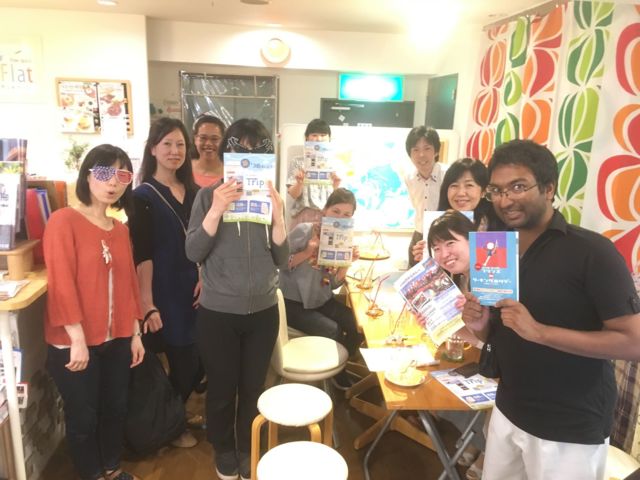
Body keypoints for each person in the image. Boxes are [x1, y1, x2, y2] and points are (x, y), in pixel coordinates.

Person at [461, 139, 640, 480]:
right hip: (509, 408)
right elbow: (497, 334)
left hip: (568, 427)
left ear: (548, 188)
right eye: (496, 190)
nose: (505, 200)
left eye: (518, 187)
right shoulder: (498, 249)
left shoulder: (592, 252)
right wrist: (481, 323)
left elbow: (634, 342)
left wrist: (541, 332)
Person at [186, 118, 288, 480]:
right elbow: (193, 251)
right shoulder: (207, 196)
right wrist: (216, 209)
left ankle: (247, 445)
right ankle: (223, 447)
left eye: (257, 150)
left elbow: (281, 258)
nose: (248, 157)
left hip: (262, 312)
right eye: (239, 149)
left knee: (252, 387)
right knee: (221, 388)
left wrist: (279, 218)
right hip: (218, 313)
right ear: (227, 153)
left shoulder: (270, 196)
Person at [44, 144, 144, 480]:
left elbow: (129, 284)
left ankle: (112, 468)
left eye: (122, 175)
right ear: (87, 176)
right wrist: (77, 338)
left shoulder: (121, 229)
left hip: (117, 338)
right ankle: (91, 474)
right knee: (83, 416)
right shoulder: (63, 221)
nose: (113, 182)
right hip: (74, 342)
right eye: (104, 173)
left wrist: (135, 333)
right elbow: (61, 283)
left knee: (116, 407)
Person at [127, 117, 200, 448]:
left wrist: (207, 277)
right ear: (153, 149)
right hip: (165, 292)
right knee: (184, 361)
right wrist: (147, 303)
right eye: (167, 144)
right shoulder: (142, 196)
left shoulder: (195, 193)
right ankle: (172, 425)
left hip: (198, 290)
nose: (174, 151)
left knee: (199, 360)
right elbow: (142, 255)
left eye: (180, 144)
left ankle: (174, 414)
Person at [279, 188, 362, 388]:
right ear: (325, 210)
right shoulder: (304, 230)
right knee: (333, 330)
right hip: (293, 303)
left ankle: (342, 361)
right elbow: (281, 263)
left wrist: (347, 263)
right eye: (336, 211)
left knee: (357, 325)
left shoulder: (342, 240)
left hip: (321, 300)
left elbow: (332, 284)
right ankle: (339, 376)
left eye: (347, 215)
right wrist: (308, 251)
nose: (340, 218)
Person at [426, 210, 487, 480]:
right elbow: (474, 335)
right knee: (434, 387)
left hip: (506, 361)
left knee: (438, 395)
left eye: (451, 243)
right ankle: (476, 438)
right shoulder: (462, 277)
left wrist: (457, 327)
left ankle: (484, 446)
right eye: (437, 248)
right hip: (483, 353)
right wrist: (435, 320)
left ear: (473, 240)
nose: (444, 253)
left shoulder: (488, 275)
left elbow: (492, 340)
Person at [412, 157, 502, 264]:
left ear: (483, 191)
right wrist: (427, 258)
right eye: (454, 185)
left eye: (469, 185)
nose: (460, 193)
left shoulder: (497, 228)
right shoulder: (437, 223)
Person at [286, 118, 341, 228]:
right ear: (307, 137)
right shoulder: (297, 161)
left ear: (329, 138)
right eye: (314, 135)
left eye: (323, 135)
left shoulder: (335, 162)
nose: (319, 139)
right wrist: (299, 183)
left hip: (327, 215)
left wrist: (336, 185)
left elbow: (338, 199)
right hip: (303, 214)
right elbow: (293, 194)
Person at [403, 126, 444, 267]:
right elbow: (416, 205)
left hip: (443, 237)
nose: (421, 155)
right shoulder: (409, 177)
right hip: (419, 235)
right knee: (413, 277)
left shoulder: (448, 174)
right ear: (410, 154)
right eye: (415, 150)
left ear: (436, 151)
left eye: (427, 148)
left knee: (442, 279)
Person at [191, 114, 226, 187]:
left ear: (223, 141)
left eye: (214, 139)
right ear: (195, 139)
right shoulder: (184, 168)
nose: (208, 143)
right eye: (203, 138)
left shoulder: (231, 172)